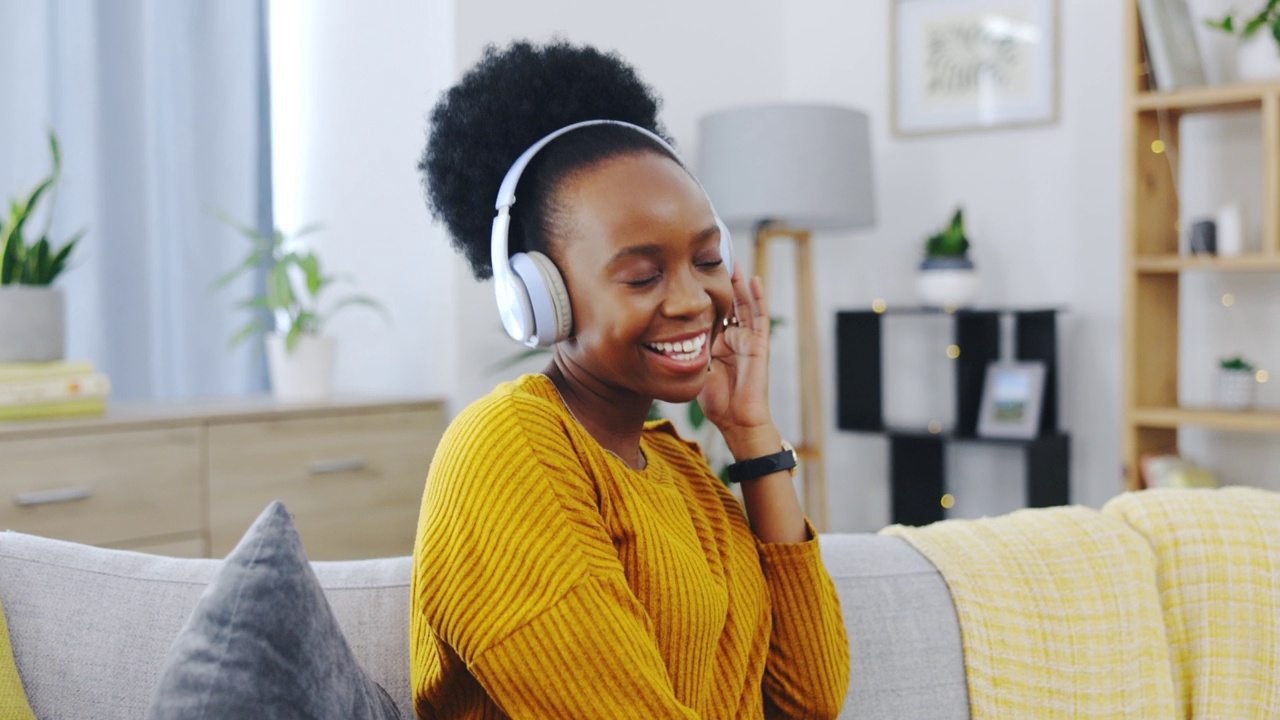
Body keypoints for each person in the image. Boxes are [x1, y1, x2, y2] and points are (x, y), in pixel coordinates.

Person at [411, 39, 850, 719]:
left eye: (707, 260)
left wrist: (752, 436)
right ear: (539, 296)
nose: (691, 300)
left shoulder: (679, 468)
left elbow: (809, 698)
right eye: (642, 275)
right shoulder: (507, 450)